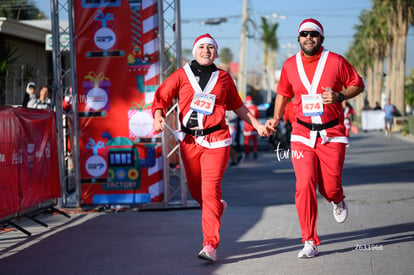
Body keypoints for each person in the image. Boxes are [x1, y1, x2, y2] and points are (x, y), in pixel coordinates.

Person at [152, 33, 272, 263]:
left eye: (210, 47)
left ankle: (210, 245)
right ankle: (217, 206)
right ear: (194, 51)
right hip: (188, 142)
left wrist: (256, 125)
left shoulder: (224, 78)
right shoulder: (182, 74)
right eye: (202, 47)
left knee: (209, 190)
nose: (206, 50)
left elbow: (237, 105)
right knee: (198, 193)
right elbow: (162, 97)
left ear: (216, 53)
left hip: (217, 140)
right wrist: (158, 116)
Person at [265, 18, 364, 258]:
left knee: (329, 188)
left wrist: (340, 96)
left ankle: (337, 199)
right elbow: (282, 94)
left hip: (332, 133)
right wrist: (276, 119)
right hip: (301, 133)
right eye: (304, 34)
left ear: (321, 38)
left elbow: (358, 85)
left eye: (314, 34)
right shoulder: (290, 65)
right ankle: (309, 240)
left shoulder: (336, 61)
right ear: (298, 38)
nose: (308, 38)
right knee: (304, 184)